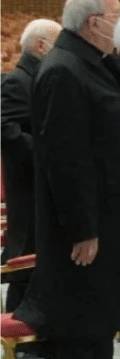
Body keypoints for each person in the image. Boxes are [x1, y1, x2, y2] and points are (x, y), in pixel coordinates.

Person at [13, 0, 120, 359]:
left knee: (97, 332)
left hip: (110, 225)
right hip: (87, 238)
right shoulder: (63, 70)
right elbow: (65, 159)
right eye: (118, 14)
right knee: (82, 336)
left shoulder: (93, 62)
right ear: (94, 22)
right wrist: (82, 228)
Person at [1, 19, 61, 315]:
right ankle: (21, 345)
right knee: (27, 261)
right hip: (27, 187)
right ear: (40, 45)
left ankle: (39, 335)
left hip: (43, 184)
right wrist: (50, 152)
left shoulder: (41, 77)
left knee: (42, 262)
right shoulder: (17, 80)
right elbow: (8, 132)